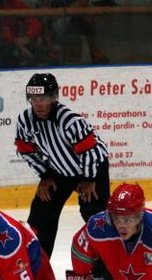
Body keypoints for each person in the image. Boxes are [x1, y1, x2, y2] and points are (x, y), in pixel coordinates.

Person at [14, 72, 110, 268]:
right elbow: (26, 151)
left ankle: (105, 269)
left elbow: (91, 151)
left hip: (90, 168)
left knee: (95, 215)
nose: (38, 104)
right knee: (42, 213)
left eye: (43, 99)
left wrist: (90, 179)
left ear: (53, 98)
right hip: (58, 171)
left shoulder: (69, 120)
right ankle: (36, 267)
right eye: (33, 99)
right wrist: (46, 176)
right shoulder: (25, 120)